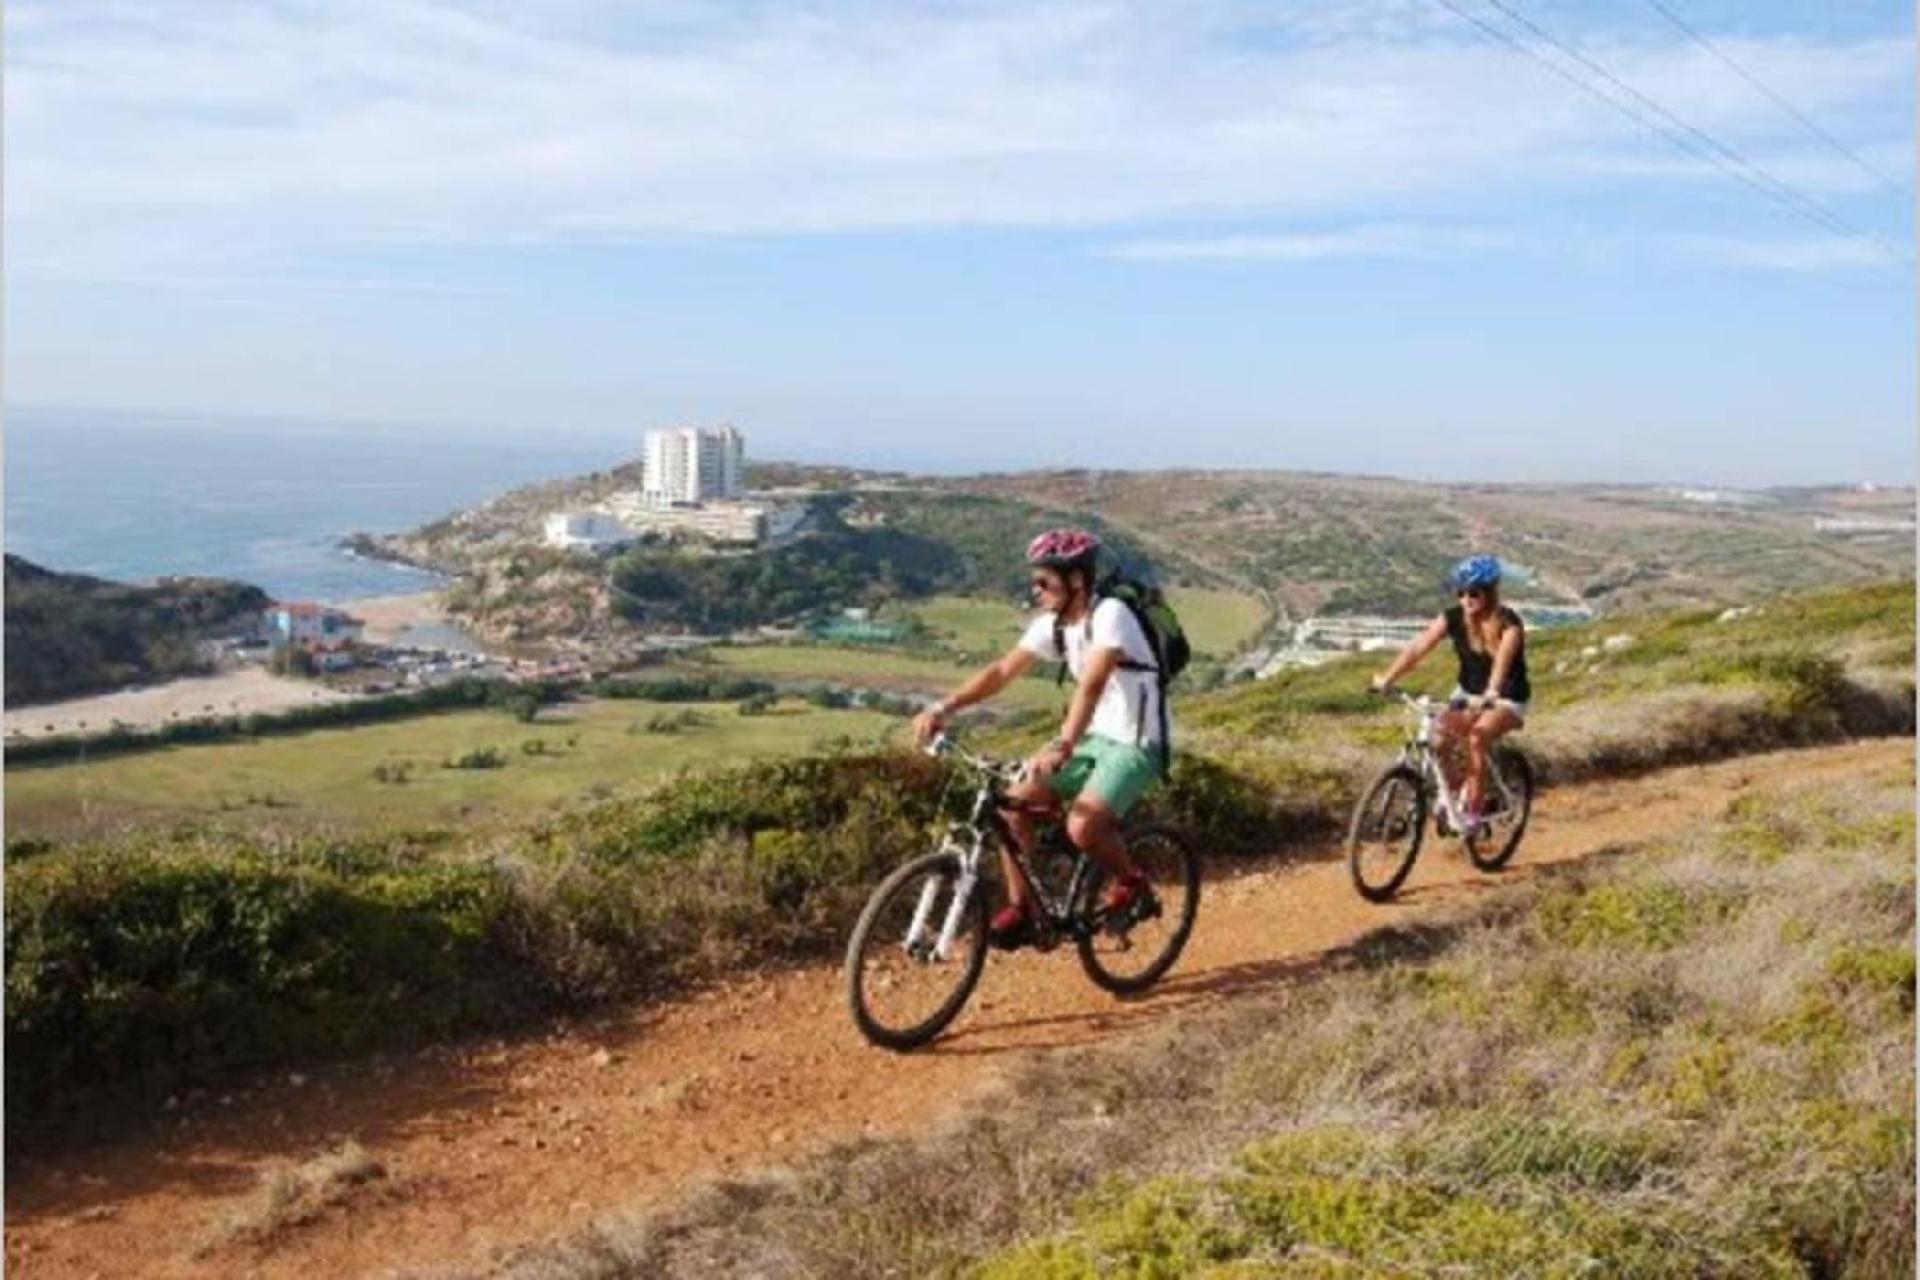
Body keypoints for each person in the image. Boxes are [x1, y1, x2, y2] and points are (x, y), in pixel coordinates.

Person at [911, 528, 1165, 948]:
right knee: (1014, 805)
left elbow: (1092, 685)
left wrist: (1062, 744)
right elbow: (1001, 671)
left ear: (1076, 580)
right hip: (1093, 737)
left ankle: (1132, 882)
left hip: (1137, 742)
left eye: (1045, 581)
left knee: (1083, 826)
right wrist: (943, 707)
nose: (1036, 590)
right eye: (1035, 581)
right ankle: (1024, 910)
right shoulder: (1055, 625)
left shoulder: (1111, 614)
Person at [1369, 554, 1530, 835]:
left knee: (1476, 738)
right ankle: (1456, 794)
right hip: (1467, 693)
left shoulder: (1509, 624)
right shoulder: (1453, 618)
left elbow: (1502, 663)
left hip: (1505, 698)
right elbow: (1419, 647)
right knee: (1439, 739)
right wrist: (1388, 678)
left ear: (1489, 593)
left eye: (1473, 593)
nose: (1466, 599)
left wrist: (1491, 692)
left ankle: (1473, 814)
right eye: (1460, 593)